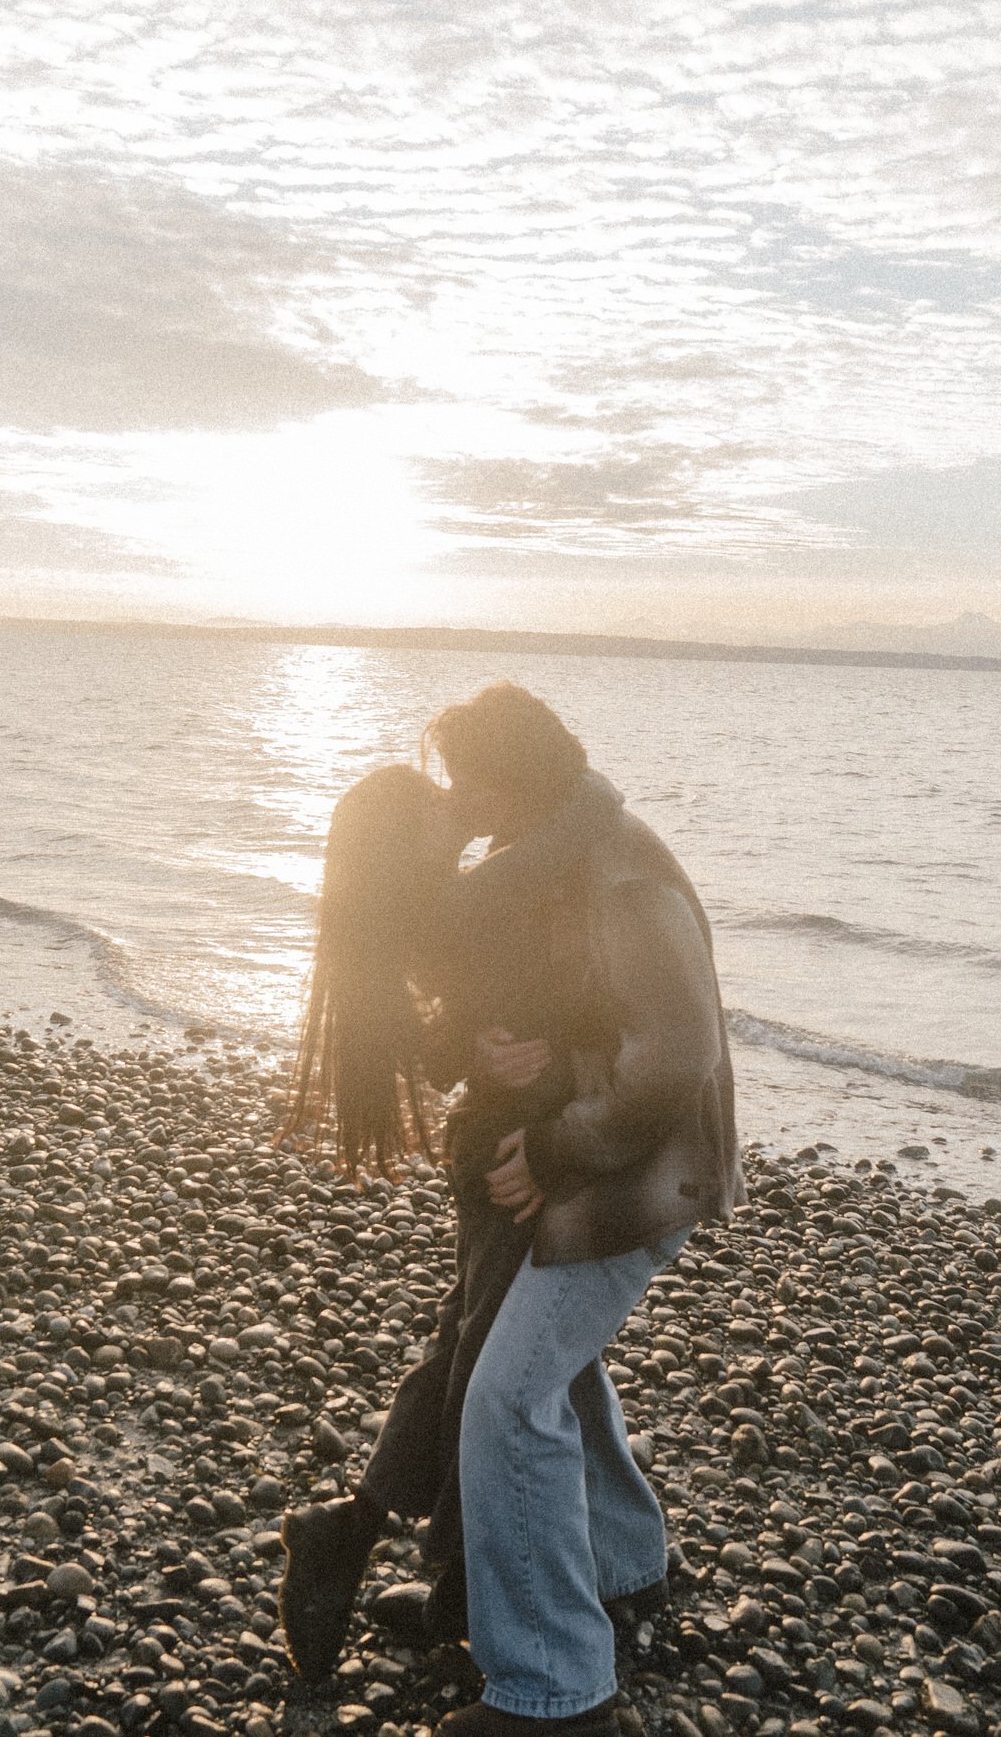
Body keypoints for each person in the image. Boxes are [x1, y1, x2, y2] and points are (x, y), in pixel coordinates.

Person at [424, 686, 741, 1737]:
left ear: (517, 777)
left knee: (507, 1401)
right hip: (610, 1165)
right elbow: (592, 1025)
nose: (454, 800)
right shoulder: (555, 859)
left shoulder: (618, 874)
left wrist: (554, 1147)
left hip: (639, 1180)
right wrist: (522, 1058)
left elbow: (676, 1053)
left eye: (466, 778)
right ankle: (623, 1567)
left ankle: (556, 1691)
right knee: (555, 1364)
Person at [277, 742, 624, 1679]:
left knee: (471, 1349)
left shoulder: (419, 905)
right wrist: (583, 782)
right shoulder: (471, 899)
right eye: (433, 800)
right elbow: (578, 828)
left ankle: (372, 1543)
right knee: (489, 1374)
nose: (455, 799)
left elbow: (437, 1049)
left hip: (485, 1152)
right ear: (411, 836)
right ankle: (447, 1575)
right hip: (510, 1160)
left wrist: (473, 1039)